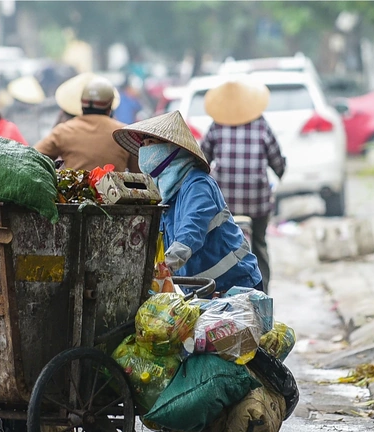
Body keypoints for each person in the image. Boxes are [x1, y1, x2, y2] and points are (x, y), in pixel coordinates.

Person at [114, 111, 262, 292]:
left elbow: (192, 229)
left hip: (236, 283)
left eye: (151, 143)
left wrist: (164, 266)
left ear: (173, 147)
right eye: (143, 144)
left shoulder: (198, 184)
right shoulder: (164, 190)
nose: (145, 150)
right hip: (202, 289)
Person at [200, 79, 286, 289]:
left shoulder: (216, 127)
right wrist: (280, 170)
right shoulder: (262, 124)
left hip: (224, 204)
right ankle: (263, 290)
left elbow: (202, 160)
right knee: (259, 244)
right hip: (257, 203)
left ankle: (227, 288)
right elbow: (278, 163)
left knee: (223, 244)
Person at [35, 76, 137, 172]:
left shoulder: (63, 131)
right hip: (114, 191)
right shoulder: (125, 133)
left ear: (82, 103)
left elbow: (33, 159)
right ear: (110, 105)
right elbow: (139, 174)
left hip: (74, 191)